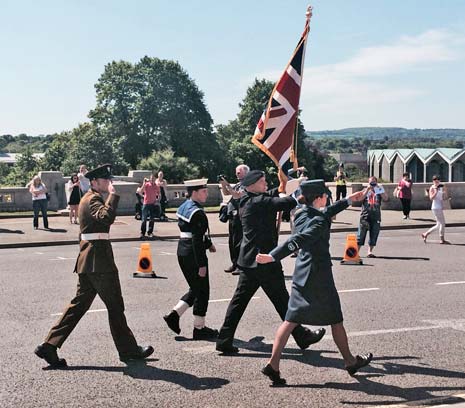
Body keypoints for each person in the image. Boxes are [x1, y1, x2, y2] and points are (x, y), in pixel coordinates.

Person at [34, 164, 153, 368]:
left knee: (78, 306)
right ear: (95, 182)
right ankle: (129, 351)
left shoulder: (87, 198)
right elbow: (106, 218)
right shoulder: (93, 199)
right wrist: (113, 196)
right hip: (100, 263)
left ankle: (49, 345)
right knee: (115, 305)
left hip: (89, 261)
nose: (109, 183)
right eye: (106, 180)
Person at [256, 180, 373, 385]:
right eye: (326, 195)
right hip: (319, 275)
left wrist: (348, 200)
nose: (328, 198)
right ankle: (349, 361)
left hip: (302, 271)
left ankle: (273, 365)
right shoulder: (317, 221)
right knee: (335, 318)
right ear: (318, 198)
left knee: (290, 319)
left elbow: (325, 212)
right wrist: (273, 256)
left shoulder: (302, 213)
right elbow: (300, 239)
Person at [215, 170, 325, 354]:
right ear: (252, 184)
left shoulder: (249, 198)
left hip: (252, 261)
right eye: (263, 181)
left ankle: (224, 339)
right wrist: (302, 190)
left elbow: (272, 193)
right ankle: (301, 335)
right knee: (280, 300)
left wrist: (283, 184)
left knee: (256, 301)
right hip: (263, 261)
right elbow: (286, 202)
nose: (266, 184)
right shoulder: (258, 202)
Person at [163, 178, 219, 340]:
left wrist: (208, 244)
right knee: (203, 291)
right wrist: (202, 264)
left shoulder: (184, 206)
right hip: (194, 255)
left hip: (183, 250)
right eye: (203, 191)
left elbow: (190, 232)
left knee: (196, 288)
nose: (206, 194)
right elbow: (196, 238)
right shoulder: (198, 212)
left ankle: (174, 315)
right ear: (194, 192)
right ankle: (199, 328)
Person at [219, 164, 250, 275]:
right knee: (232, 241)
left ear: (246, 172)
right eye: (236, 172)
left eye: (239, 172)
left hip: (240, 216)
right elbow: (227, 193)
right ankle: (234, 263)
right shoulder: (238, 184)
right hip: (232, 215)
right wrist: (223, 183)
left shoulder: (248, 184)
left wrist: (228, 185)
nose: (236, 174)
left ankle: (240, 266)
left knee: (238, 242)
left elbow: (237, 195)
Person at [357, 176, 388, 258]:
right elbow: (360, 199)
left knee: (374, 234)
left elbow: (386, 198)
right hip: (365, 215)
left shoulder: (379, 190)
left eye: (374, 182)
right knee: (361, 235)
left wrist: (379, 190)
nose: (373, 184)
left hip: (376, 215)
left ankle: (369, 252)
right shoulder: (365, 190)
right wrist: (367, 190)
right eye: (371, 182)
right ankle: (356, 252)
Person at [421, 175, 450, 244]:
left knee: (438, 225)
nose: (437, 182)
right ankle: (442, 239)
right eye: (435, 180)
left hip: (439, 206)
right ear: (433, 181)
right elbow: (431, 198)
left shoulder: (440, 187)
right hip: (436, 207)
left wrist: (445, 189)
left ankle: (425, 234)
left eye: (438, 180)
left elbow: (444, 196)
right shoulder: (432, 188)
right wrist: (436, 191)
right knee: (442, 223)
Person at [139, 174, 161, 239]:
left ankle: (150, 232)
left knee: (152, 219)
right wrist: (144, 183)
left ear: (155, 179)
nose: (152, 180)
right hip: (146, 203)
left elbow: (159, 194)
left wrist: (157, 199)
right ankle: (142, 233)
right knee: (144, 219)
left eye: (153, 179)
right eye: (151, 178)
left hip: (152, 204)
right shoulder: (146, 184)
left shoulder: (156, 186)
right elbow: (140, 191)